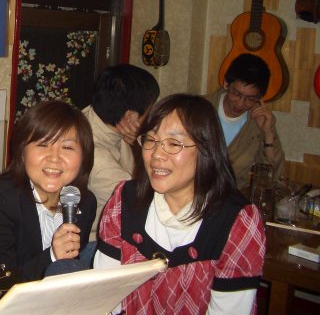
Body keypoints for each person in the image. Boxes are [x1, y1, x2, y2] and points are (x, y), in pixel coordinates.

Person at [94, 94, 266, 315]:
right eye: (151, 140)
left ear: (206, 149)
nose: (157, 155)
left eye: (174, 143)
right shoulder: (125, 200)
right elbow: (106, 298)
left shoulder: (237, 221)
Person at [0, 100, 97, 315]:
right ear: (22, 151)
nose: (54, 158)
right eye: (43, 144)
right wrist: (52, 257)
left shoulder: (84, 203)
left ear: (84, 156)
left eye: (67, 147)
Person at [83, 64, 159, 242]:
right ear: (130, 117)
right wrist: (143, 145)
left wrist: (139, 140)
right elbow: (145, 201)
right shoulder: (96, 158)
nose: (152, 116)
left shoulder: (97, 116)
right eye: (150, 110)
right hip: (93, 240)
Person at [206, 53, 284, 190]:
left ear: (260, 97)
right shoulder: (200, 108)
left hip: (235, 195)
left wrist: (267, 133)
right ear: (226, 84)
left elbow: (273, 177)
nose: (241, 104)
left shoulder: (259, 120)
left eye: (250, 99)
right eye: (236, 94)